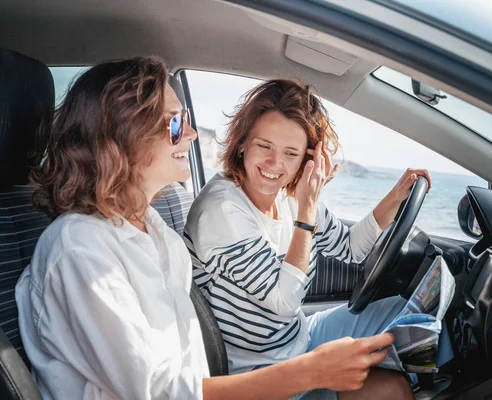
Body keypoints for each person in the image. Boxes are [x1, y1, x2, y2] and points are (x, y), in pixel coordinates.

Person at [15, 57, 412, 400]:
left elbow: (183, 373)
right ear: (120, 136)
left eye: (184, 121)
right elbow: (161, 392)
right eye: (174, 125)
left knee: (400, 342)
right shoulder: (79, 248)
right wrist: (310, 371)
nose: (188, 134)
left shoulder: (152, 230)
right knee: (390, 389)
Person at [185, 79, 434, 398]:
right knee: (393, 389)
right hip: (263, 371)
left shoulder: (288, 195)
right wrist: (306, 210)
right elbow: (284, 304)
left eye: (291, 153)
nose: (275, 165)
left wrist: (395, 196)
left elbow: (350, 248)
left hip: (297, 339)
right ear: (242, 143)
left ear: (307, 159)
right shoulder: (221, 211)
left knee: (414, 317)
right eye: (265, 146)